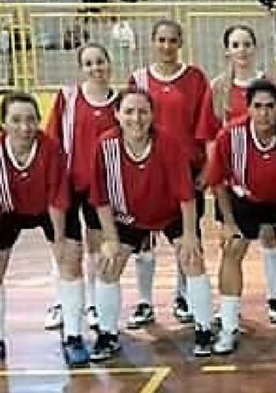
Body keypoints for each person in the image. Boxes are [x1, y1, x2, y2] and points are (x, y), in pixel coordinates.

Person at [89, 89, 211, 360]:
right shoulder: (105, 146)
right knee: (108, 265)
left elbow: (186, 195)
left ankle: (204, 329)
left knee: (193, 259)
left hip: (170, 213)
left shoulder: (168, 144)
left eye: (143, 112)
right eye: (129, 112)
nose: (137, 118)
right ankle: (107, 335)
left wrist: (189, 235)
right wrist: (110, 240)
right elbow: (100, 199)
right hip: (128, 216)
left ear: (152, 115)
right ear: (116, 115)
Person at [206, 80, 276, 352]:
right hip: (247, 199)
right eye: (257, 106)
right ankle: (228, 327)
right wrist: (228, 223)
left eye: (270, 107)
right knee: (232, 248)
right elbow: (217, 181)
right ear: (248, 109)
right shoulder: (230, 135)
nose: (264, 113)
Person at [0, 92, 80, 367]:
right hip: (7, 210)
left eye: (31, 120)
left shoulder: (51, 149)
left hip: (48, 208)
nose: (25, 127)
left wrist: (59, 241)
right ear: (3, 124)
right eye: (16, 120)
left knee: (70, 261)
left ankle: (73, 337)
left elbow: (58, 200)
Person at [125, 19, 219, 329]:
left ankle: (184, 295)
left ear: (180, 43)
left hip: (186, 172)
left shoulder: (195, 78)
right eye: (161, 40)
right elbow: (128, 124)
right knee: (142, 239)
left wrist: (207, 168)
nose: (167, 46)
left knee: (188, 238)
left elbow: (206, 128)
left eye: (172, 40)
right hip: (146, 170)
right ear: (153, 42)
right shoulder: (139, 79)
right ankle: (144, 301)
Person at [210, 25, 276, 324]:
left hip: (266, 176)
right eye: (235, 44)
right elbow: (210, 133)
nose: (241, 50)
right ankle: (229, 306)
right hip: (232, 180)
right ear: (227, 50)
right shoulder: (218, 88)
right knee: (231, 241)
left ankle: (275, 299)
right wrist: (215, 174)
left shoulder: (271, 85)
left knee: (270, 235)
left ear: (255, 48)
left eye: (246, 44)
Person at [42, 43, 119, 335]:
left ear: (109, 64)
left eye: (100, 61)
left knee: (98, 246)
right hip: (68, 183)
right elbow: (51, 138)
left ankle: (94, 304)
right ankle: (62, 302)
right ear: (81, 69)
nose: (95, 68)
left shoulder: (119, 103)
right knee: (64, 245)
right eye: (88, 63)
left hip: (102, 188)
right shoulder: (68, 97)